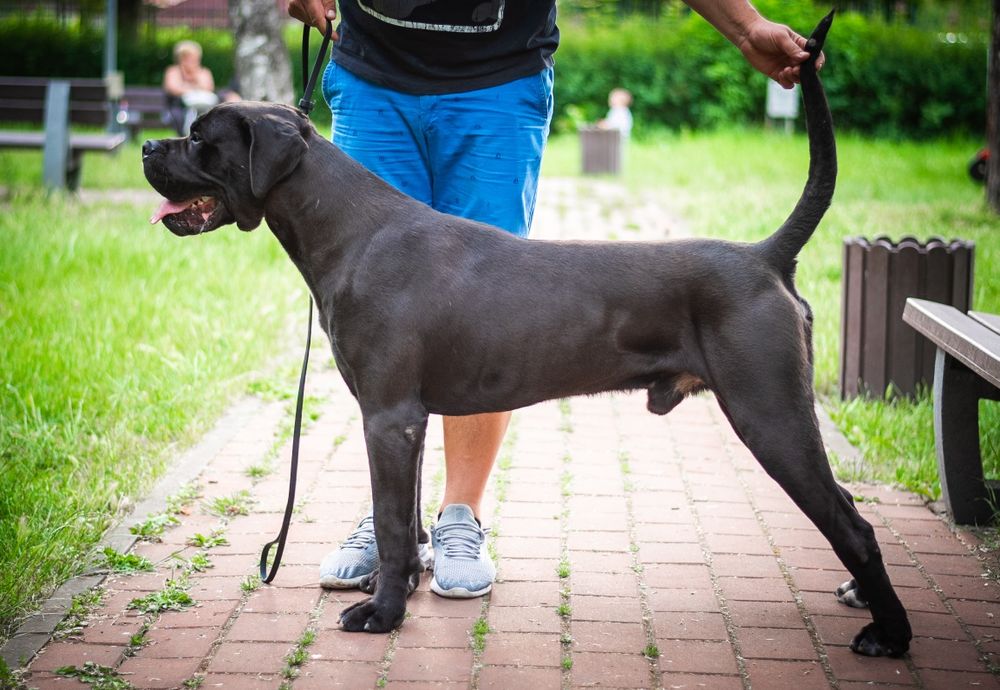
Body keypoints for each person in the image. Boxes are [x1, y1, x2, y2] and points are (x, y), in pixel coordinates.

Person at [287, 0, 823, 600]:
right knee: (375, 312)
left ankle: (459, 516)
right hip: (371, 76)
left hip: (494, 81)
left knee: (482, 315)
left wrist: (747, 26)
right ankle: (393, 529)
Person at [163, 40, 235, 136]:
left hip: (204, 106)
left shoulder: (203, 71)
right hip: (179, 108)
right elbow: (173, 88)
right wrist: (194, 86)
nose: (195, 61)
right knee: (181, 117)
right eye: (189, 58)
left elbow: (208, 87)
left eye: (196, 58)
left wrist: (193, 77)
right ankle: (187, 136)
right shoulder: (173, 71)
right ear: (182, 58)